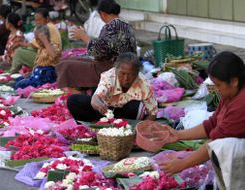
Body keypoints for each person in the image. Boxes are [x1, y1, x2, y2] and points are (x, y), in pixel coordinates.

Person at [159, 51, 245, 189]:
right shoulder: (230, 95)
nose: (216, 90)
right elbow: (212, 124)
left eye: (218, 85)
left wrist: (183, 164)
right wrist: (178, 135)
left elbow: (216, 142)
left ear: (234, 81)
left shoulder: (242, 103)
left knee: (224, 146)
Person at [55, 0, 136, 93]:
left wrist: (84, 37)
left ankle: (79, 97)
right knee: (68, 60)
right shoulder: (126, 25)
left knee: (65, 65)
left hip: (111, 70)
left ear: (102, 14)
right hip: (121, 66)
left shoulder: (111, 27)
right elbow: (106, 47)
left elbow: (98, 52)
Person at [67, 52, 158, 122]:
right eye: (122, 74)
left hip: (127, 115)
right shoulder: (109, 77)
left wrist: (143, 127)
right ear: (116, 69)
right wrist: (99, 106)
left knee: (137, 106)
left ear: (137, 73)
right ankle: (94, 128)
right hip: (105, 111)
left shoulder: (144, 84)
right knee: (73, 101)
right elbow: (95, 99)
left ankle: (126, 131)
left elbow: (153, 113)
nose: (126, 79)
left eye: (131, 75)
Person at [9, 8, 62, 73]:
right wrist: (21, 44)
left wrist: (19, 44)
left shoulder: (47, 27)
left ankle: (12, 72)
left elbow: (34, 45)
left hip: (50, 59)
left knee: (19, 52)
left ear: (47, 18)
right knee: (23, 49)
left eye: (40, 20)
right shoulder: (46, 26)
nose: (38, 22)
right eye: (36, 20)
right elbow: (35, 44)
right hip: (48, 54)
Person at [14, 24, 61, 89]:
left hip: (47, 76)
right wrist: (31, 74)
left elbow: (54, 56)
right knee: (18, 79)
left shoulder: (54, 46)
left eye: (39, 39)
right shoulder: (41, 49)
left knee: (20, 85)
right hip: (38, 74)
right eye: (36, 39)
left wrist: (45, 41)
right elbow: (38, 63)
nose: (38, 42)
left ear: (47, 37)